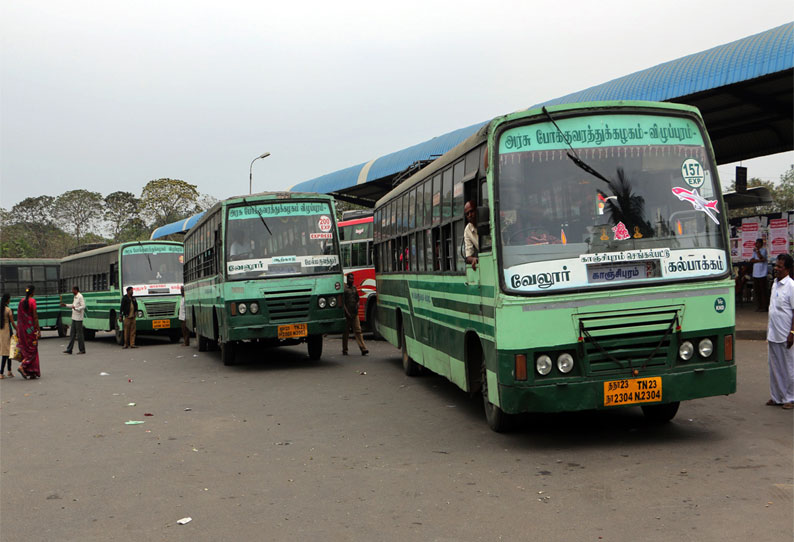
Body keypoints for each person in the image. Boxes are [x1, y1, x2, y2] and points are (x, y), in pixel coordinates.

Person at [766, 254, 794, 409]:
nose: (776, 269)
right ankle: (776, 397)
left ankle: (790, 398)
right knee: (774, 367)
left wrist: (792, 333)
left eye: (780, 267)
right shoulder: (775, 284)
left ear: (788, 269)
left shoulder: (791, 286)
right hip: (773, 333)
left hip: (786, 335)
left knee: (789, 367)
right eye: (776, 266)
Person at [16, 285, 41, 379]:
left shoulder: (21, 301)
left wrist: (18, 330)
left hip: (22, 330)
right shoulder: (32, 301)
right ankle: (23, 366)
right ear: (32, 292)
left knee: (26, 350)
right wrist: (38, 329)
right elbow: (35, 317)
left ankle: (31, 371)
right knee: (33, 349)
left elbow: (18, 317)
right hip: (30, 330)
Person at [342, 273, 368, 356]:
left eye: (353, 279)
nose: (352, 280)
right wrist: (347, 312)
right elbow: (343, 303)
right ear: (347, 279)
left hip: (355, 313)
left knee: (358, 331)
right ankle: (344, 349)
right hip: (347, 314)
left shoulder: (354, 288)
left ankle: (363, 348)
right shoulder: (345, 290)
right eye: (350, 279)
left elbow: (357, 299)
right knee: (346, 333)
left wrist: (357, 304)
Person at [62, 286, 86, 355]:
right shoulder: (75, 297)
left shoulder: (80, 296)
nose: (72, 291)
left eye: (73, 290)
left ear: (76, 290)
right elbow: (73, 305)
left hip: (78, 318)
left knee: (79, 334)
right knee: (72, 334)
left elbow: (83, 306)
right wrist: (66, 305)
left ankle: (82, 349)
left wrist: (77, 309)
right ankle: (69, 349)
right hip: (74, 317)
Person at [750, 238, 769, 312]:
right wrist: (759, 261)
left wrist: (758, 252)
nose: (756, 244)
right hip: (755, 273)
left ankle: (764, 306)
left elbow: (762, 257)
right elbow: (752, 260)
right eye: (756, 243)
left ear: (761, 244)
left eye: (757, 243)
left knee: (763, 290)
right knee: (757, 291)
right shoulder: (754, 251)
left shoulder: (763, 250)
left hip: (762, 273)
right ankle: (759, 306)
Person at [0, 293, 16, 379]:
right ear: (7, 300)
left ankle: (9, 371)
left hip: (1, 332)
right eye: (9, 299)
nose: (10, 300)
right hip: (8, 331)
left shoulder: (1, 310)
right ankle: (1, 372)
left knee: (7, 352)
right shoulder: (8, 310)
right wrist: (18, 329)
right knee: (8, 353)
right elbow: (12, 323)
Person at [464, 200, 479, 270]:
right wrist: (473, 259)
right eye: (467, 214)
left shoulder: (489, 221)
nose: (470, 215)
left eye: (472, 211)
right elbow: (468, 256)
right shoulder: (468, 230)